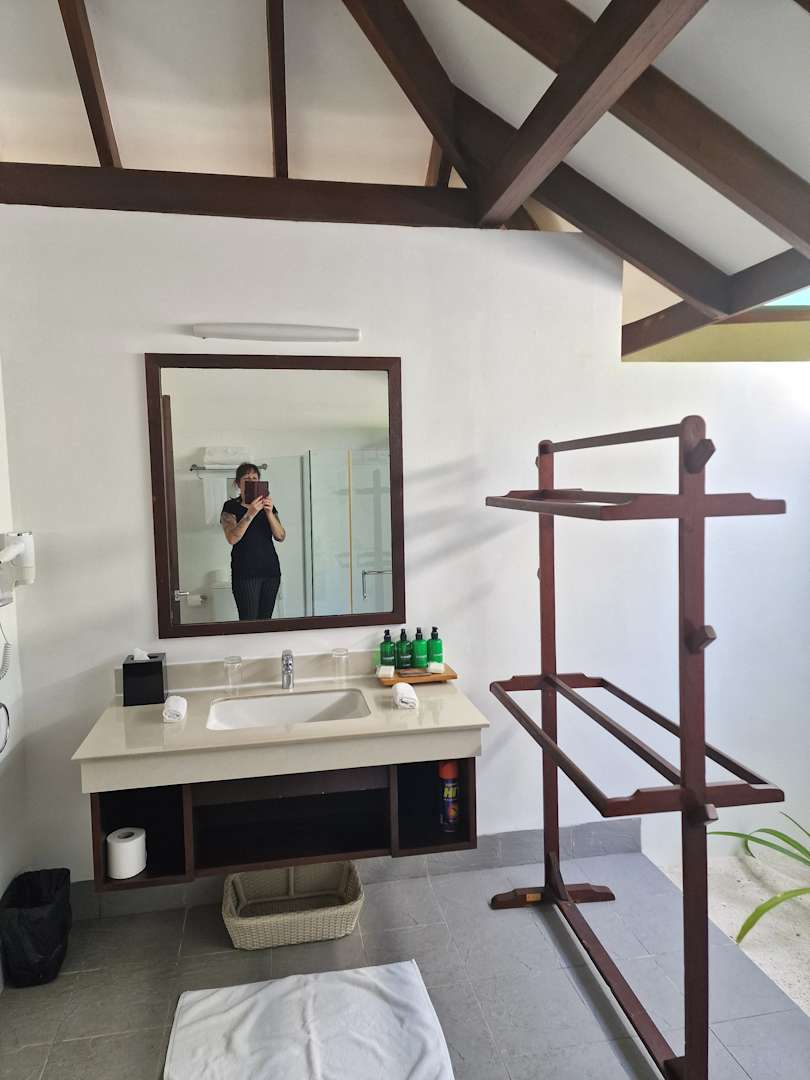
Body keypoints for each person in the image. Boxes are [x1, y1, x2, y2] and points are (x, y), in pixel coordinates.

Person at [220, 462, 285, 620]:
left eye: (255, 478)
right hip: (245, 573)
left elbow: (280, 536)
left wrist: (269, 513)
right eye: (247, 478)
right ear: (238, 483)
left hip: (271, 571)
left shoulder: (269, 507)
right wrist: (250, 513)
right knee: (248, 622)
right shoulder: (230, 507)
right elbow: (232, 538)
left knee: (266, 621)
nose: (251, 481)